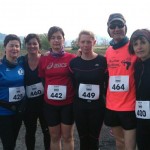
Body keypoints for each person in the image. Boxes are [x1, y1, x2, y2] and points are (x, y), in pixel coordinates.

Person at [38, 26, 76, 150]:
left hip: (68, 104)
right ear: (49, 40)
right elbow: (43, 79)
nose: (56, 40)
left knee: (67, 137)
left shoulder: (72, 58)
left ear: (64, 39)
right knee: (54, 137)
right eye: (53, 38)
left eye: (59, 37)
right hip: (50, 105)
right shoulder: (43, 59)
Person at [69, 30, 107, 150]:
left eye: (89, 42)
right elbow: (73, 84)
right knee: (83, 137)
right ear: (78, 43)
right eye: (83, 42)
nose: (86, 45)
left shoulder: (102, 61)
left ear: (94, 42)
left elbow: (107, 83)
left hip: (97, 107)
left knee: (94, 138)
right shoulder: (74, 63)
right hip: (79, 106)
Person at [104, 13, 137, 150]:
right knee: (119, 142)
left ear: (125, 27)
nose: (116, 28)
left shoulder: (134, 47)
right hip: (112, 106)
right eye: (113, 26)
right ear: (109, 30)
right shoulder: (108, 51)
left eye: (120, 25)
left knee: (130, 146)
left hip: (130, 106)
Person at [23, 34, 50, 150]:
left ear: (39, 45)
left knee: (47, 131)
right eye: (29, 44)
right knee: (30, 132)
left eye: (35, 43)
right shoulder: (21, 61)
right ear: (25, 45)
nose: (32, 46)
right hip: (28, 104)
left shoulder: (45, 59)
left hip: (45, 103)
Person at [0, 34, 25, 150]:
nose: (14, 48)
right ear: (5, 47)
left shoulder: (21, 64)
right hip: (3, 112)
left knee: (13, 142)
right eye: (11, 46)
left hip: (18, 111)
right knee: (8, 145)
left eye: (17, 46)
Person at [129, 29, 150, 150]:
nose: (139, 47)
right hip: (141, 116)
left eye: (143, 42)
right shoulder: (136, 65)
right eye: (135, 44)